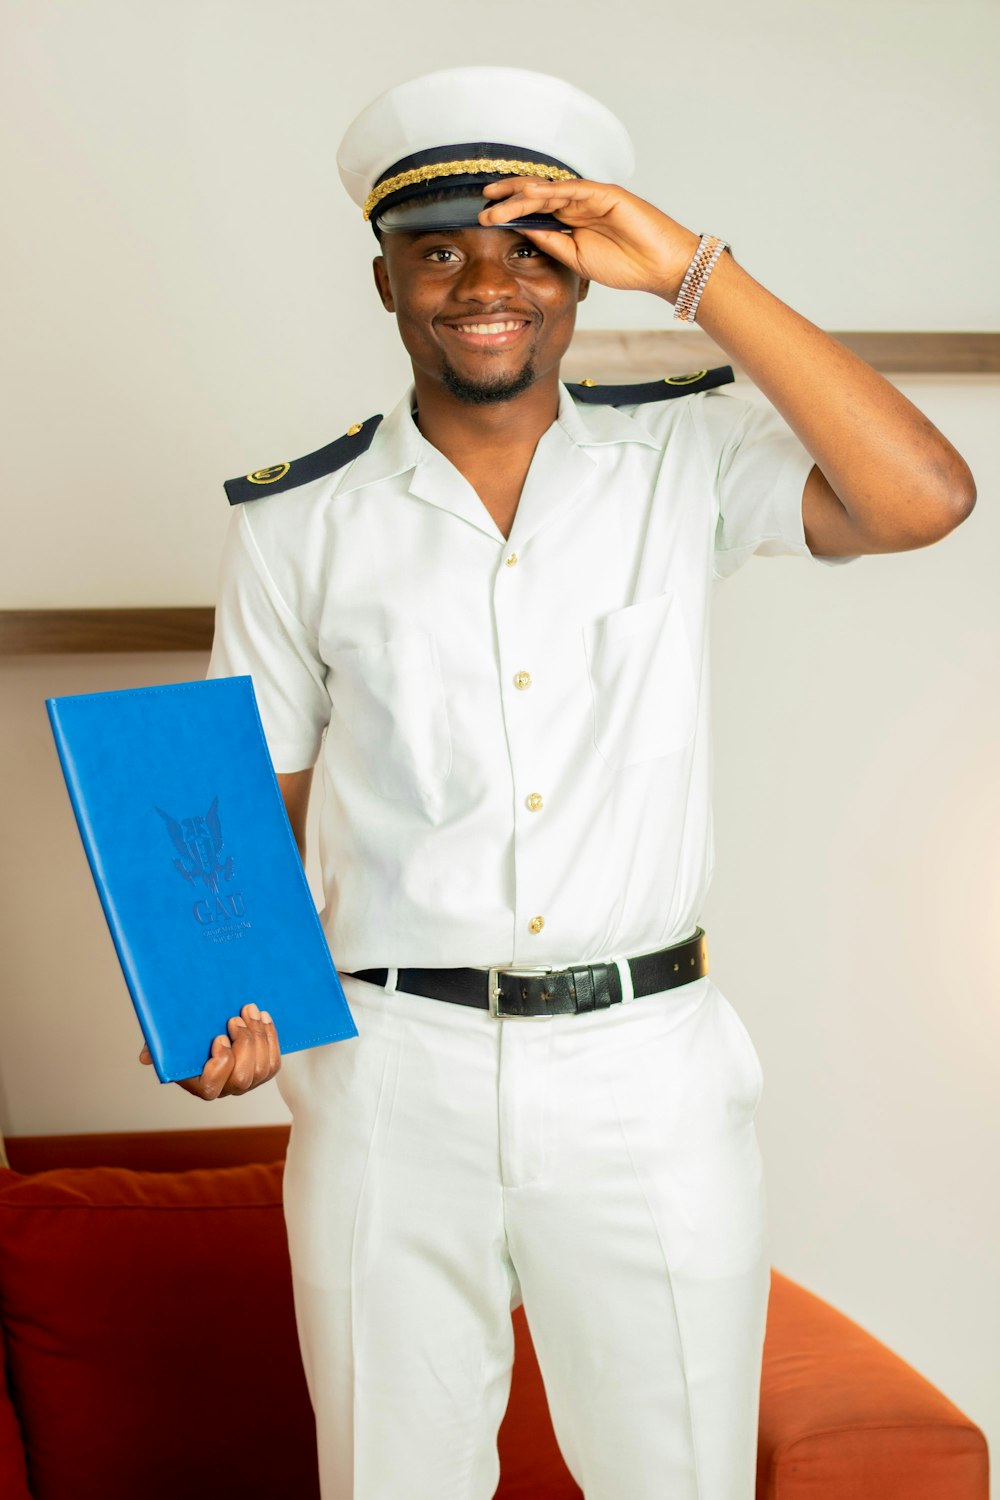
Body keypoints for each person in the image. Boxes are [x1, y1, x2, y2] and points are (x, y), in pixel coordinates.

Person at [141, 65, 975, 1500]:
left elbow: (926, 496)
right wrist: (217, 995)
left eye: (529, 248)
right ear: (387, 279)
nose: (485, 282)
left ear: (582, 278)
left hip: (646, 1070)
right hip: (394, 1074)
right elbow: (240, 811)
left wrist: (693, 271)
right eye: (439, 247)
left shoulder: (681, 461)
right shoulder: (300, 524)